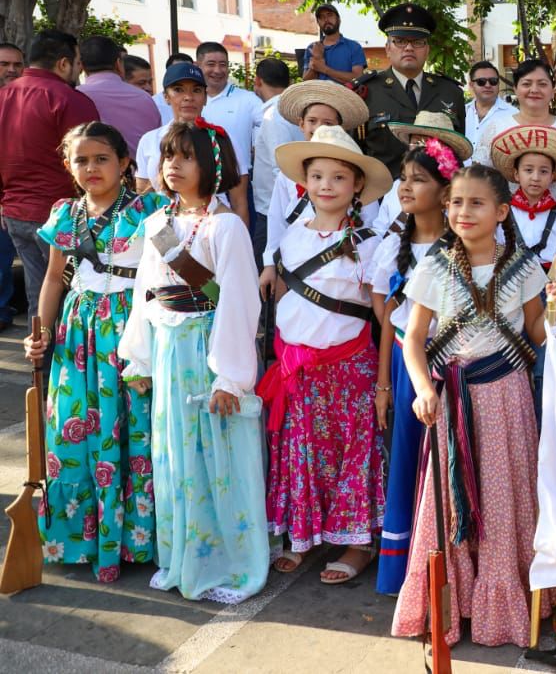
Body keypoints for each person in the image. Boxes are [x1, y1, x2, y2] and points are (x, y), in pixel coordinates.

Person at [392, 164, 556, 647]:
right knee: (451, 502)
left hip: (508, 396)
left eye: (475, 203)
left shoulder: (526, 266)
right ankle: (453, 604)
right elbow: (413, 341)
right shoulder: (433, 266)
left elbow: (536, 335)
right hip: (452, 399)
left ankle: (504, 602)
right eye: (455, 203)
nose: (463, 212)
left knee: (505, 496)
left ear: (502, 212)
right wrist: (423, 389)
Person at [118, 120, 268, 603]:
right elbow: (144, 292)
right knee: (175, 456)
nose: (173, 165)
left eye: (186, 156)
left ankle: (230, 561)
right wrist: (137, 356)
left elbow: (240, 302)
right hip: (165, 349)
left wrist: (230, 376)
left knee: (216, 456)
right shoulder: (158, 223)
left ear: (212, 165)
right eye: (167, 156)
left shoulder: (226, 226)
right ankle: (184, 555)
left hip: (207, 348)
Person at [20, 122, 166, 582]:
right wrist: (39, 331)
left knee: (135, 429)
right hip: (76, 335)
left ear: (124, 163)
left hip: (132, 330)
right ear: (68, 166)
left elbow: (180, 264)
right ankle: (81, 540)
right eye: (80, 160)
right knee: (72, 431)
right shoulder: (65, 214)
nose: (91, 168)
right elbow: (52, 279)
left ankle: (138, 541)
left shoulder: (149, 209)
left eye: (102, 158)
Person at [258, 126, 393, 584]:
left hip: (349, 367)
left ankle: (358, 542)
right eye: (317, 176)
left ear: (356, 186)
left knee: (353, 453)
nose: (326, 186)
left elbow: (384, 317)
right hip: (298, 369)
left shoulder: (370, 242)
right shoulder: (290, 236)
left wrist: (382, 382)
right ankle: (304, 533)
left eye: (338, 177)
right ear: (304, 183)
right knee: (303, 452)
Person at [370, 116, 469, 596]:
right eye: (403, 178)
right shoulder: (393, 244)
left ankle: (453, 566)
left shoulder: (464, 247)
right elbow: (388, 321)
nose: (406, 187)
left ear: (445, 189)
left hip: (457, 366)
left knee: (454, 462)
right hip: (410, 369)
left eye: (419, 180)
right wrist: (385, 384)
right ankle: (408, 570)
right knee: (410, 459)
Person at [0, 29, 100, 319]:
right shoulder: (69, 99)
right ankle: (64, 360)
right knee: (75, 297)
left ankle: (40, 361)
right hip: (61, 213)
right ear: (64, 63)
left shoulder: (4, 96)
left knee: (39, 295)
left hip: (16, 212)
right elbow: (91, 161)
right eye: (77, 61)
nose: (79, 68)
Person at [259, 81, 373, 281]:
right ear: (301, 123)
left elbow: (370, 222)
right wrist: (270, 263)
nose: (318, 128)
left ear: (341, 128)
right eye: (312, 121)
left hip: (345, 262)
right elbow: (276, 220)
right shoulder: (287, 174)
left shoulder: (355, 169)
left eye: (328, 123)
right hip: (295, 258)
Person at [351, 2, 466, 172]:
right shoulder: (365, 92)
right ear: (387, 49)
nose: (409, 48)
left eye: (418, 42)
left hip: (438, 194)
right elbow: (354, 153)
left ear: (427, 50)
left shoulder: (450, 92)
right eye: (400, 41)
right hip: (383, 192)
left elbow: (458, 151)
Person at [135, 63, 252, 228]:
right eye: (178, 90)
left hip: (213, 227)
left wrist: (240, 240)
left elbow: (239, 201)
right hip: (164, 229)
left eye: (196, 90)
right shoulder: (150, 140)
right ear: (166, 97)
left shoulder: (223, 139)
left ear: (205, 97)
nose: (188, 97)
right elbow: (144, 195)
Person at [473, 58, 556, 209]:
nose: (534, 90)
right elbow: (479, 173)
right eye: (526, 84)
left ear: (553, 89)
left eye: (542, 84)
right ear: (515, 88)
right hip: (507, 220)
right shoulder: (497, 127)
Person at [489, 124, 556, 276]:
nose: (536, 177)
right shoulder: (502, 213)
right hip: (509, 287)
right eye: (528, 170)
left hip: (549, 290)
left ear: (552, 176)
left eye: (543, 171)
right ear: (517, 174)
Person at [77, 35, 161, 155]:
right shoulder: (144, 98)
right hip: (141, 171)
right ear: (118, 64)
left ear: (81, 66)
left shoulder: (76, 96)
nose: (148, 87)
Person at [249, 57, 296, 260]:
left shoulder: (274, 116)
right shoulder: (292, 110)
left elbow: (281, 169)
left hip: (275, 212)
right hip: (286, 208)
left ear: (257, 81)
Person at [196, 42, 261, 170]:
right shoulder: (191, 101)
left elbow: (270, 127)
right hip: (200, 177)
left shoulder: (248, 99)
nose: (217, 70)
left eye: (223, 65)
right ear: (197, 66)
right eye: (211, 64)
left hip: (238, 179)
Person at [0, 40, 24, 331]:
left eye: (17, 64)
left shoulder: (27, 100)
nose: (11, 70)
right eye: (4, 64)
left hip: (22, 193)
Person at [301, 3, 367, 84]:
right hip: (318, 96)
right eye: (321, 17)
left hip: (346, 96)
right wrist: (317, 58)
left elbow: (358, 78)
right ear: (318, 23)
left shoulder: (354, 47)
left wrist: (324, 69)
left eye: (330, 15)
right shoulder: (312, 48)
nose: (326, 20)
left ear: (339, 19)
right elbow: (306, 83)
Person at [463, 60, 516, 147]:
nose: (488, 85)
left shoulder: (513, 115)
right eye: (481, 81)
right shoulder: (462, 112)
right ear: (471, 85)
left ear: (498, 83)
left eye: (493, 81)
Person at [152, 52, 193, 124]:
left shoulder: (198, 100)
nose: (183, 74)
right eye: (178, 70)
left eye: (187, 70)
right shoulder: (153, 104)